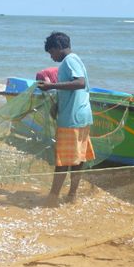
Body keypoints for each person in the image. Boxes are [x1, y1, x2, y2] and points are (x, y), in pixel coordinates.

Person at [37, 32, 94, 208]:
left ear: (58, 47)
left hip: (72, 119)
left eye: (51, 52)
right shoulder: (73, 60)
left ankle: (53, 198)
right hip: (80, 115)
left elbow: (80, 83)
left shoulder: (69, 60)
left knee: (62, 161)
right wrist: (57, 104)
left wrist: (51, 85)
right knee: (77, 158)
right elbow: (73, 88)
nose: (51, 56)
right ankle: (72, 195)